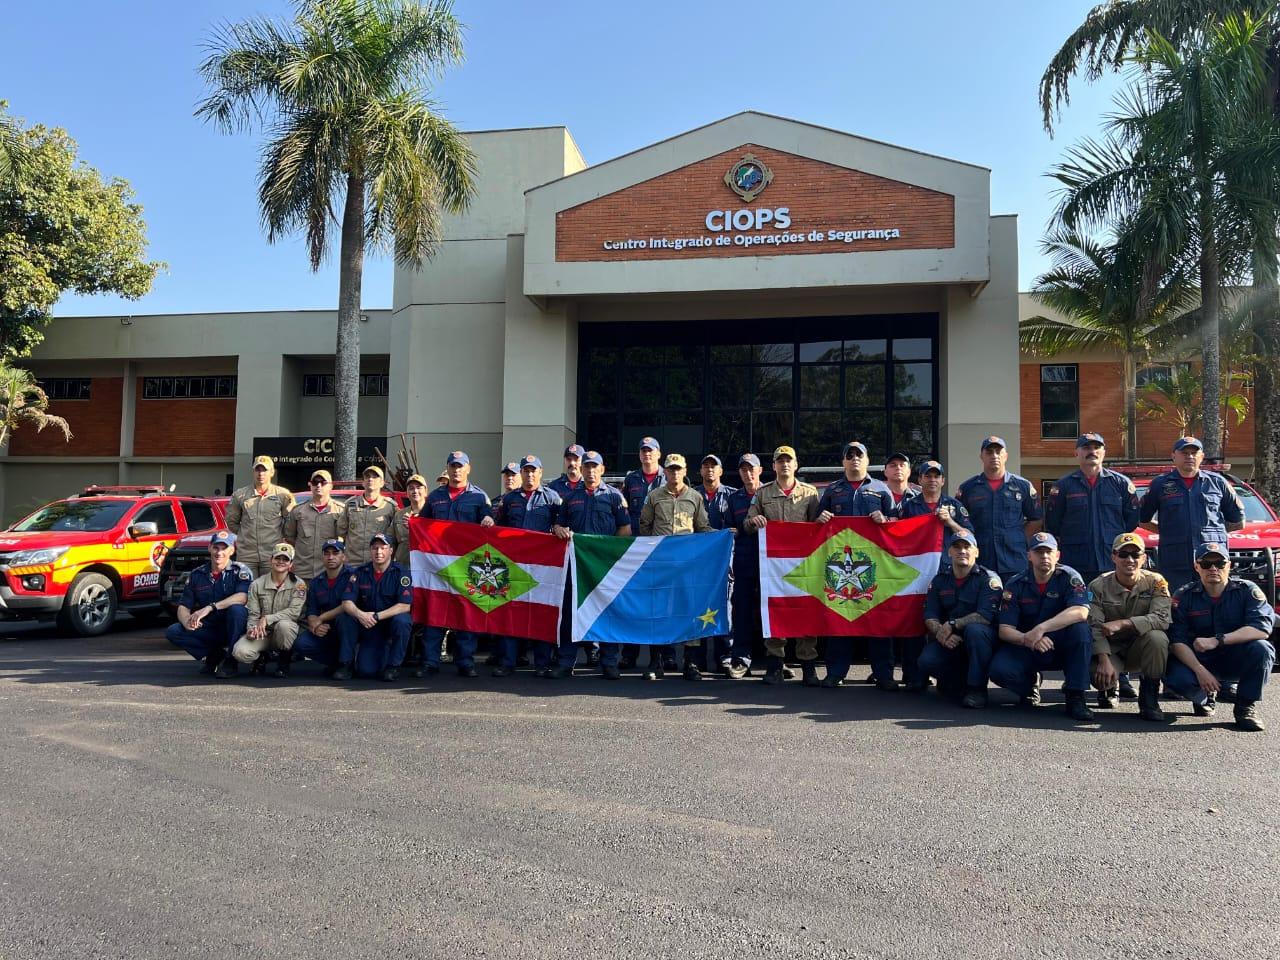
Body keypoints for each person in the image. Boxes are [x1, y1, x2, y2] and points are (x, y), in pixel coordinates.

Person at [1165, 543, 1276, 732]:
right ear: (1197, 567)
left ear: (1229, 565)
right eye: (1206, 563)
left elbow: (1261, 629)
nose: (1213, 568)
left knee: (1262, 649)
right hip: (1200, 660)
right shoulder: (1184, 596)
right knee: (1174, 677)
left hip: (1234, 657)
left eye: (1219, 562)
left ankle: (1245, 707)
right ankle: (1204, 696)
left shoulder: (1247, 591)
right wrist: (1200, 670)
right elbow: (1177, 641)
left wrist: (1218, 639)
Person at [989, 531, 1096, 722]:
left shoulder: (1070, 577)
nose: (1044, 556)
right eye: (1038, 552)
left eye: (1049, 552)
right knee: (999, 670)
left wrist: (1041, 629)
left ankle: (1075, 696)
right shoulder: (1015, 584)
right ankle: (1028, 686)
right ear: (1029, 555)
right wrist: (1028, 639)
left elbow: (1081, 611)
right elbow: (1004, 629)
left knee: (1081, 630)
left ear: (1057, 555)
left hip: (1061, 645)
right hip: (1028, 645)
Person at [816, 441, 895, 689]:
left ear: (867, 460)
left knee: (879, 621)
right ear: (843, 462)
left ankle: (884, 675)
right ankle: (835, 672)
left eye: (859, 455)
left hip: (874, 566)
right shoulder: (831, 491)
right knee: (840, 619)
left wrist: (886, 520)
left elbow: (897, 525)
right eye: (849, 456)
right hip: (840, 568)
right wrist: (821, 519)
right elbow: (816, 526)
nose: (854, 459)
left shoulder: (882, 490)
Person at [745, 445, 821, 686]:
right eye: (780, 461)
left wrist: (821, 521)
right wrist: (753, 521)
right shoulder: (763, 494)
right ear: (774, 466)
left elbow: (818, 528)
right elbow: (747, 523)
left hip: (804, 566)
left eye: (789, 460)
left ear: (796, 464)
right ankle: (775, 664)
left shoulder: (810, 494)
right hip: (774, 567)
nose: (785, 464)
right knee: (775, 612)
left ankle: (808, 666)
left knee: (806, 613)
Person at [552, 450, 631, 678]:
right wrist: (558, 529)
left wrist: (611, 555)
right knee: (571, 613)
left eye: (595, 467)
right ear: (582, 469)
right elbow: (559, 525)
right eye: (587, 466)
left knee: (606, 612)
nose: (590, 471)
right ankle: (566, 662)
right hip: (576, 566)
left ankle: (609, 662)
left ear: (602, 470)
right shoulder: (570, 497)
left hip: (604, 566)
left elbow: (625, 530)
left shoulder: (615, 497)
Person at [640, 452, 714, 681]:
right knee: (659, 611)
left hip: (686, 567)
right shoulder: (653, 496)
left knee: (689, 610)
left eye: (678, 469)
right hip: (661, 565)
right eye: (671, 469)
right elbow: (644, 526)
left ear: (685, 471)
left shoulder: (695, 497)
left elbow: (703, 527)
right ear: (665, 471)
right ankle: (656, 662)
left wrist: (723, 536)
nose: (674, 472)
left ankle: (690, 663)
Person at [420, 451, 495, 677]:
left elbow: (490, 524)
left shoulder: (480, 497)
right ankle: (430, 662)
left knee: (466, 615)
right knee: (435, 614)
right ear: (448, 468)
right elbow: (423, 524)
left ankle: (465, 662)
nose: (456, 470)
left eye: (461, 466)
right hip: (439, 565)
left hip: (467, 567)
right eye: (453, 466)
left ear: (468, 469)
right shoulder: (435, 497)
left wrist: (489, 520)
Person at [1139, 436, 1245, 593]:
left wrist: (1213, 532)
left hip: (1212, 561)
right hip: (1176, 561)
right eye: (1184, 453)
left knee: (1214, 604)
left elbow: (1238, 521)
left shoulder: (1218, 482)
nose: (1189, 457)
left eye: (1194, 453)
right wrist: (1170, 532)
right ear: (1174, 456)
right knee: (1177, 605)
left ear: (1201, 456)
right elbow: (1142, 520)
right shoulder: (1159, 484)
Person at [1087, 533, 1172, 721]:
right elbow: (1093, 625)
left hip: (1140, 648)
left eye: (1135, 554)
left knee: (1158, 637)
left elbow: (1162, 619)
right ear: (1113, 557)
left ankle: (1149, 698)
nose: (1130, 559)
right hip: (1112, 650)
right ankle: (1108, 689)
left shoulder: (1156, 582)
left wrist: (1124, 623)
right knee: (1100, 678)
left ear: (1144, 558)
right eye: (1123, 554)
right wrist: (1103, 660)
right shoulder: (1098, 586)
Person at [494, 455, 562, 677]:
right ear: (521, 473)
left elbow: (559, 525)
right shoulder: (509, 499)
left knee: (541, 614)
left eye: (534, 471)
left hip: (542, 568)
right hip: (512, 567)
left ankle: (541, 664)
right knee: (511, 615)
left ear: (541, 473)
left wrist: (560, 528)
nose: (530, 474)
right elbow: (498, 529)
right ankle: (507, 662)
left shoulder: (553, 499)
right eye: (526, 471)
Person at [917, 530, 1001, 707]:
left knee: (975, 631)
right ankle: (957, 679)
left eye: (967, 547)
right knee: (927, 661)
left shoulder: (988, 579)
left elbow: (986, 616)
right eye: (957, 547)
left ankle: (977, 689)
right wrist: (942, 632)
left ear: (976, 552)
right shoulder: (940, 580)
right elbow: (930, 614)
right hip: (950, 639)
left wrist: (953, 624)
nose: (962, 551)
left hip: (981, 640)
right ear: (949, 552)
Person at [956, 436, 1042, 582]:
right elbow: (960, 522)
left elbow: (1036, 519)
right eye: (989, 452)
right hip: (981, 559)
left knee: (1014, 602)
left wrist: (1018, 538)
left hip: (1014, 559)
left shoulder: (1023, 486)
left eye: (998, 451)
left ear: (1006, 456)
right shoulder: (968, 489)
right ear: (981, 456)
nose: (994, 456)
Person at [165, 531, 252, 674]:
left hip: (234, 626)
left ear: (232, 550)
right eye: (216, 548)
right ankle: (214, 655)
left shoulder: (240, 571)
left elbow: (243, 597)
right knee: (174, 631)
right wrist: (187, 621)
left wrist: (210, 607)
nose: (219, 552)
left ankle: (231, 660)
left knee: (237, 610)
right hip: (210, 626)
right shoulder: (197, 574)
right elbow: (184, 606)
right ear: (209, 548)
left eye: (224, 548)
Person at [338, 532, 414, 681]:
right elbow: (346, 602)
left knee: (403, 620)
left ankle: (393, 666)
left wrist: (377, 616)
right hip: (368, 626)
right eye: (375, 548)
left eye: (383, 548)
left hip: (388, 625)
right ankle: (345, 664)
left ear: (391, 550)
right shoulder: (360, 572)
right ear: (370, 550)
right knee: (346, 617)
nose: (378, 552)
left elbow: (405, 605)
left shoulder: (401, 573)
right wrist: (361, 615)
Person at [228, 542, 306, 678]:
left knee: (284, 626)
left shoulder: (298, 584)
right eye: (277, 558)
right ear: (271, 560)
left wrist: (267, 618)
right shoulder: (257, 584)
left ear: (291, 564)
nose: (281, 562)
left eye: (285, 559)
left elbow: (294, 612)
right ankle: (261, 658)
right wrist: (251, 629)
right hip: (263, 633)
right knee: (240, 652)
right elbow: (253, 613)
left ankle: (284, 661)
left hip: (285, 632)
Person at [620, 436, 665, 671]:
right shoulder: (631, 479)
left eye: (651, 450)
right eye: (643, 451)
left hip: (660, 550)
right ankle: (629, 653)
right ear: (639, 455)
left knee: (658, 602)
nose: (647, 454)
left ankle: (663, 655)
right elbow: (624, 513)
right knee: (633, 601)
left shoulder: (668, 477)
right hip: (634, 549)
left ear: (659, 454)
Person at [694, 454, 738, 678]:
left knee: (725, 606)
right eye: (706, 466)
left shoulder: (731, 495)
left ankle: (725, 657)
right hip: (698, 563)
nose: (710, 470)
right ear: (700, 471)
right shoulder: (691, 495)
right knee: (698, 606)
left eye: (714, 466)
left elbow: (736, 527)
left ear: (721, 471)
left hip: (724, 562)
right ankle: (697, 659)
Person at [723, 453, 763, 678]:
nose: (748, 473)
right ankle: (741, 658)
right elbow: (728, 529)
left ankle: (776, 660)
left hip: (770, 564)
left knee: (770, 611)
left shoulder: (770, 494)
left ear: (760, 470)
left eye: (752, 469)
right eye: (744, 469)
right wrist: (731, 532)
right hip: (744, 562)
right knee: (742, 612)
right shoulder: (734, 498)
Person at [293, 538, 357, 676]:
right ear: (322, 557)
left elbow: (347, 606)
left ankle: (346, 664)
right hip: (328, 629)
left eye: (335, 553)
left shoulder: (353, 576)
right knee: (301, 643)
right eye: (327, 553)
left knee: (345, 618)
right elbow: (312, 610)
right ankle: (336, 663)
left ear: (343, 556)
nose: (331, 557)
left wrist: (321, 618)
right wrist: (315, 626)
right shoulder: (317, 582)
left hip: (351, 628)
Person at [225, 455, 296, 577]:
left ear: (272, 472)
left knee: (270, 590)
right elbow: (232, 522)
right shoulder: (240, 495)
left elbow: (291, 521)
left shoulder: (283, 495)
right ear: (253, 472)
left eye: (265, 470)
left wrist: (280, 535)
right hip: (247, 555)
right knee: (246, 591)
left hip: (272, 555)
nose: (261, 473)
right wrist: (244, 534)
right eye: (258, 470)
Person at [896, 460, 973, 561]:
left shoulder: (954, 505)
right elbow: (900, 539)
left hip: (948, 567)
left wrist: (951, 523)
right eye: (928, 476)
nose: (932, 480)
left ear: (943, 481)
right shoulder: (909, 507)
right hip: (921, 565)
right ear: (920, 480)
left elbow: (970, 536)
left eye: (936, 477)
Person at [283, 468, 344, 582]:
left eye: (323, 483)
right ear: (310, 485)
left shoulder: (340, 511)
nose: (319, 485)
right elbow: (289, 537)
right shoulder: (298, 511)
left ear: (331, 486)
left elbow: (345, 539)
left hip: (329, 572)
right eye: (315, 482)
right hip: (302, 571)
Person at [338, 465, 397, 567]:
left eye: (375, 477)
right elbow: (340, 532)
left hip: (378, 565)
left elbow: (395, 537)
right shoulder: (350, 504)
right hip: (353, 564)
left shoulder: (390, 507)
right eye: (367, 477)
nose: (370, 479)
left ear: (382, 483)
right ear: (363, 482)